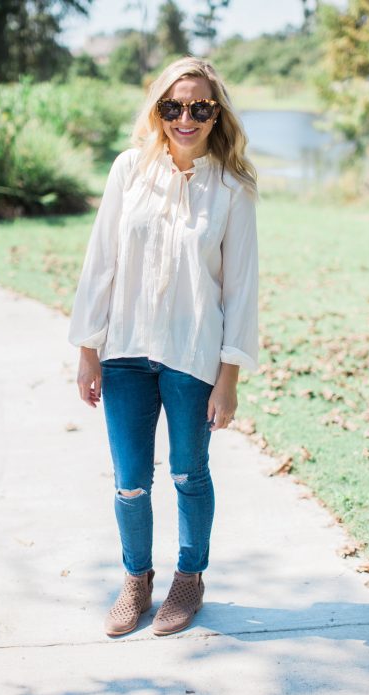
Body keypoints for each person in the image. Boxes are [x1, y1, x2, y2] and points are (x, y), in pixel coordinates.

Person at [68, 56, 259, 637]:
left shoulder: (232, 189)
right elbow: (101, 262)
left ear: (216, 113)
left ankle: (189, 578)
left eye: (199, 107)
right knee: (129, 480)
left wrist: (229, 376)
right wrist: (87, 348)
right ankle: (135, 579)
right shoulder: (129, 170)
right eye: (172, 106)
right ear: (157, 110)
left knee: (188, 474)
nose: (185, 118)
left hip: (192, 355)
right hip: (125, 350)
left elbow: (241, 289)